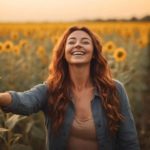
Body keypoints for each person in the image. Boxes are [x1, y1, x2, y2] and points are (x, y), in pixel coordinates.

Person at [0, 26, 140, 150]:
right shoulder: (51, 90)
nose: (78, 45)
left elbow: (129, 141)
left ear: (94, 53)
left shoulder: (114, 89)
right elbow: (24, 101)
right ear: (64, 53)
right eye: (71, 42)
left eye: (85, 42)